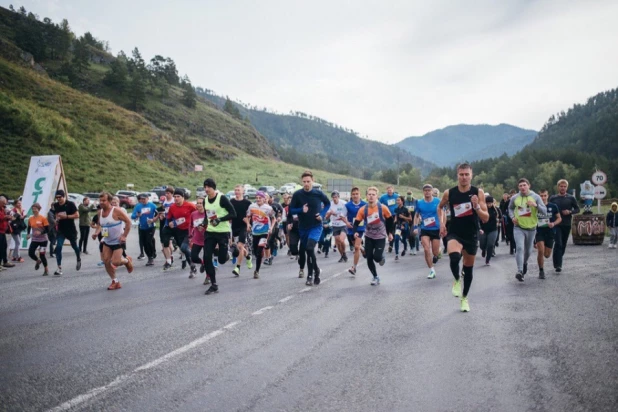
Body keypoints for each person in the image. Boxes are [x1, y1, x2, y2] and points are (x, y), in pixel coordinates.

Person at [438, 163, 489, 313]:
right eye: (461, 174)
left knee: (468, 268)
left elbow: (485, 218)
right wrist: (442, 223)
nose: (464, 177)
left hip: (471, 234)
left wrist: (477, 207)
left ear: (471, 175)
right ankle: (456, 280)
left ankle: (464, 298)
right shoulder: (449, 193)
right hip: (455, 232)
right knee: (454, 257)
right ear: (457, 176)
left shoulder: (477, 193)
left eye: (467, 174)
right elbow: (440, 207)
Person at [289, 170, 330, 286]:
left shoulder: (318, 193)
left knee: (309, 247)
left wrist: (322, 215)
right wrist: (301, 210)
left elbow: (327, 204)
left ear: (313, 181)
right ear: (302, 182)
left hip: (316, 226)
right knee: (308, 250)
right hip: (303, 227)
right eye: (304, 182)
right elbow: (291, 210)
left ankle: (310, 275)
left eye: (308, 181)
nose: (306, 184)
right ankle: (316, 270)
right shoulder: (297, 194)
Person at [92, 192, 134, 290]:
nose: (101, 202)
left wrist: (124, 236)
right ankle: (115, 281)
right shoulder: (100, 212)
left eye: (104, 201)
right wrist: (96, 233)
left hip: (118, 241)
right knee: (106, 261)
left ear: (110, 201)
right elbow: (100, 224)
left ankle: (127, 261)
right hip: (107, 241)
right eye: (100, 200)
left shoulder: (116, 211)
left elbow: (128, 222)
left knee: (115, 262)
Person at [353, 186, 394, 285]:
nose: (371, 196)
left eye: (373, 195)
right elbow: (356, 222)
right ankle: (375, 277)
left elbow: (390, 221)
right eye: (369, 194)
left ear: (377, 197)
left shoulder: (382, 208)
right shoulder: (363, 209)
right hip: (369, 236)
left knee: (377, 257)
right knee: (369, 257)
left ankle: (381, 257)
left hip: (380, 236)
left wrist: (390, 233)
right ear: (366, 196)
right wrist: (355, 231)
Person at [203, 178, 237, 295]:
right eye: (205, 187)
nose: (206, 189)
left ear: (214, 188)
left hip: (222, 232)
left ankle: (232, 250)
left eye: (208, 187)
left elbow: (233, 213)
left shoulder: (221, 198)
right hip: (210, 232)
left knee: (222, 260)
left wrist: (220, 219)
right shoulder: (205, 200)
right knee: (207, 257)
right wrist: (204, 223)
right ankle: (214, 284)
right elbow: (206, 215)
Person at [508, 178, 547, 281]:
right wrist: (512, 217)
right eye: (520, 186)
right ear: (518, 187)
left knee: (528, 251)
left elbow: (545, 212)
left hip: (532, 228)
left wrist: (536, 205)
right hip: (518, 227)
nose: (522, 187)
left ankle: (524, 263)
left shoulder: (536, 197)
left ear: (529, 186)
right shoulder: (515, 198)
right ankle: (520, 271)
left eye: (524, 185)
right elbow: (510, 208)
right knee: (520, 248)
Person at [549, 179, 580, 273]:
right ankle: (558, 265)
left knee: (563, 244)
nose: (562, 188)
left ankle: (558, 258)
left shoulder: (571, 198)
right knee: (558, 243)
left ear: (567, 187)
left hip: (566, 224)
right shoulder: (553, 198)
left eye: (564, 186)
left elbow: (577, 209)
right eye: (561, 186)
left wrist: (570, 211)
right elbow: (549, 209)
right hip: (556, 224)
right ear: (558, 187)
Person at [167, 188, 197, 277]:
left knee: (184, 248)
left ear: (183, 197)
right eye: (175, 196)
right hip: (178, 231)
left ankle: (195, 260)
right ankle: (193, 267)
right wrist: (170, 223)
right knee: (184, 249)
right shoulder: (172, 207)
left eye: (178, 196)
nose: (176, 198)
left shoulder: (190, 205)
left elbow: (198, 214)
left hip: (189, 230)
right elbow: (168, 219)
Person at [414, 184, 442, 278]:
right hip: (425, 229)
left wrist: (443, 225)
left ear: (432, 191)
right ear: (423, 192)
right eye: (425, 190)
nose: (427, 192)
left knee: (435, 252)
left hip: (436, 229)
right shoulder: (419, 202)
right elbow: (416, 215)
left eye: (429, 190)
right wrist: (415, 227)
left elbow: (443, 213)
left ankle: (438, 252)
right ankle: (432, 270)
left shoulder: (438, 201)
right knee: (426, 249)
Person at [51, 190, 81, 276]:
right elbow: (56, 214)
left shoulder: (70, 204)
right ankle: (59, 268)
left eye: (60, 197)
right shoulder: (56, 205)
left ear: (64, 196)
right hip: (61, 229)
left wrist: (66, 216)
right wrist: (56, 220)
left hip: (70, 229)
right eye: (57, 198)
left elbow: (77, 215)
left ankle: (78, 258)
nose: (58, 199)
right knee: (59, 246)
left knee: (74, 246)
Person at [247, 191, 274, 279]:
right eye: (257, 198)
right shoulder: (252, 206)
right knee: (255, 251)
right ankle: (260, 259)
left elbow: (273, 219)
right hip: (255, 232)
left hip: (265, 232)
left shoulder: (268, 208)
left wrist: (271, 228)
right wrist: (248, 224)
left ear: (264, 199)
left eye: (260, 198)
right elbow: (248, 216)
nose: (258, 199)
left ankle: (257, 271)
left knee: (259, 251)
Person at [535, 189, 562, 278]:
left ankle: (542, 256)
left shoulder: (553, 206)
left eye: (544, 195)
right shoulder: (536, 206)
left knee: (546, 255)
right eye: (541, 196)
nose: (543, 198)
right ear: (539, 196)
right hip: (539, 232)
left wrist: (553, 223)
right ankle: (541, 271)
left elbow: (559, 218)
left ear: (548, 196)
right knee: (540, 251)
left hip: (550, 232)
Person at [230, 185, 253, 276]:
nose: (237, 192)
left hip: (243, 227)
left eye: (238, 190)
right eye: (235, 190)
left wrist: (248, 224)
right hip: (234, 227)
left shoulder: (247, 203)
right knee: (239, 247)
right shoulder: (231, 202)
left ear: (243, 191)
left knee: (240, 245)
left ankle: (237, 268)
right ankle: (248, 256)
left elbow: (249, 216)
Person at [131, 194, 159, 266]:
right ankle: (150, 256)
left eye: (144, 199)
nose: (143, 200)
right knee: (144, 243)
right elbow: (132, 216)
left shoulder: (152, 205)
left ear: (147, 198)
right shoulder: (138, 206)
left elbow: (159, 213)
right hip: (142, 227)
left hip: (151, 226)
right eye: (141, 199)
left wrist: (153, 219)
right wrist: (137, 215)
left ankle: (151, 257)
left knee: (148, 241)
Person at [345, 187, 367, 275]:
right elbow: (342, 215)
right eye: (353, 194)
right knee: (357, 246)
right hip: (351, 229)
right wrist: (346, 222)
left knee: (356, 247)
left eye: (357, 194)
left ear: (360, 194)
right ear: (351, 195)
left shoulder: (365, 204)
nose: (355, 195)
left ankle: (354, 267)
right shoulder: (347, 205)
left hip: (361, 228)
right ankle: (363, 249)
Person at [26, 202, 50, 276]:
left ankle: (46, 270)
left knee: (42, 255)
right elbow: (29, 227)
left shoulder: (43, 218)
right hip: (35, 239)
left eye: (35, 209)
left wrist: (41, 233)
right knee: (30, 253)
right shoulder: (30, 218)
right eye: (33, 209)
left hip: (43, 240)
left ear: (38, 209)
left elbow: (47, 229)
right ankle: (37, 260)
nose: (34, 210)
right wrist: (28, 234)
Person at [325, 190, 349, 263]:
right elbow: (326, 218)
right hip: (335, 225)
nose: (334, 198)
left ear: (338, 197)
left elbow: (348, 212)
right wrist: (330, 213)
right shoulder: (330, 204)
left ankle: (344, 253)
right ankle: (342, 255)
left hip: (343, 224)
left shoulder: (343, 203)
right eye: (333, 197)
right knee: (337, 242)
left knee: (341, 240)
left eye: (336, 197)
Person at [189, 197, 207, 280]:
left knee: (207, 258)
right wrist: (190, 236)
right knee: (193, 257)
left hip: (207, 239)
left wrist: (204, 228)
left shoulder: (207, 214)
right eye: (198, 203)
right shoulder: (193, 214)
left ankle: (208, 277)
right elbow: (191, 226)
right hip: (197, 239)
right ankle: (202, 263)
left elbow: (213, 225)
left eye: (201, 203)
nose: (199, 204)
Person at [479, 196, 500, 266]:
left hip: (493, 229)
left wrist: (498, 221)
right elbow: (477, 218)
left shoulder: (496, 210)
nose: (489, 205)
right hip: (483, 229)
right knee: (482, 244)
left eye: (490, 203)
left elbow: (501, 217)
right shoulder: (482, 209)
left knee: (491, 244)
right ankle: (483, 249)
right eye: (487, 203)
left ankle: (488, 259)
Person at [158, 186, 175, 270]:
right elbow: (165, 211)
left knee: (181, 244)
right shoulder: (164, 201)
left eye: (168, 193)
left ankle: (184, 258)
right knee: (165, 242)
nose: (167, 195)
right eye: (166, 193)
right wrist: (162, 215)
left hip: (175, 223)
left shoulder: (174, 200)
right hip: (167, 223)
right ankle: (168, 261)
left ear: (172, 194)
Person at [379, 185, 399, 253]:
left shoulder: (397, 196)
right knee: (387, 229)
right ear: (386, 190)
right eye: (388, 190)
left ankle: (391, 245)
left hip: (394, 215)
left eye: (390, 190)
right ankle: (390, 238)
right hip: (386, 215)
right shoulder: (383, 197)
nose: (389, 191)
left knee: (392, 229)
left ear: (393, 190)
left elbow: (401, 203)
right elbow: (378, 203)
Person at [393, 196, 411, 261]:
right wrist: (395, 220)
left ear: (402, 201)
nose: (397, 201)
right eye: (397, 200)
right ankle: (396, 254)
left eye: (399, 200)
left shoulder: (406, 209)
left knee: (404, 239)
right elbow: (395, 216)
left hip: (405, 225)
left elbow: (410, 219)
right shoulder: (396, 209)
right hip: (398, 226)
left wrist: (403, 217)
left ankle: (405, 248)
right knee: (396, 238)